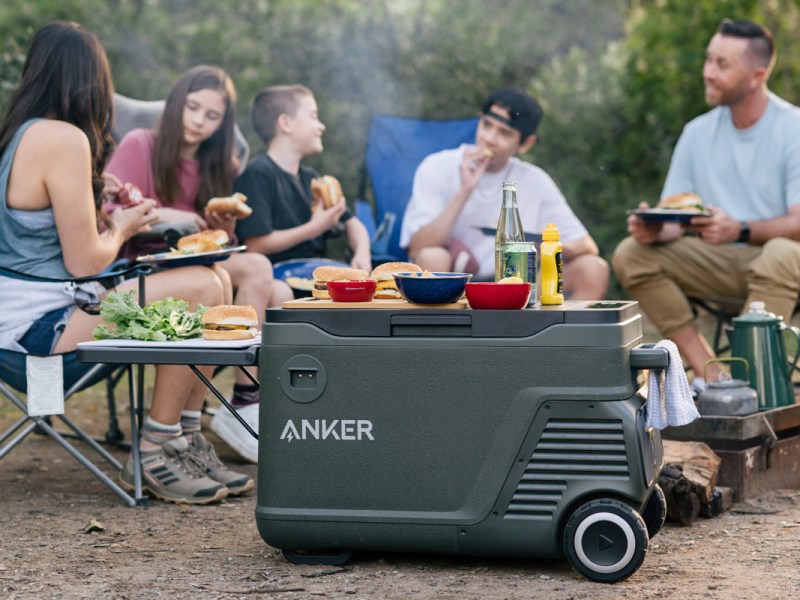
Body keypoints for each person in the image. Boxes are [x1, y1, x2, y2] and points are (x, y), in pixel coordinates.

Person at [0, 22, 253, 504]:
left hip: (34, 315)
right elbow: (83, 262)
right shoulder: (63, 138)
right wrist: (126, 226)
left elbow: (46, 239)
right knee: (199, 286)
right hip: (38, 329)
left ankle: (183, 439)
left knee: (216, 279)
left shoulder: (24, 134)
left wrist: (96, 197)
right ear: (89, 79)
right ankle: (155, 449)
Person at [106, 66, 293, 463]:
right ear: (176, 104)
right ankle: (244, 400)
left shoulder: (221, 165)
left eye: (212, 116)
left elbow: (228, 247)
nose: (198, 121)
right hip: (143, 269)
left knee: (279, 291)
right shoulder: (141, 144)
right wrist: (178, 217)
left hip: (206, 270)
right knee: (260, 270)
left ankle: (226, 409)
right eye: (192, 108)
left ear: (224, 123)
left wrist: (224, 228)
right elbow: (110, 212)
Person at [612, 19, 800, 388]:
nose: (708, 72)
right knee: (630, 252)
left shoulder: (792, 127)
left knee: (779, 250)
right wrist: (654, 228)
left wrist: (741, 229)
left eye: (722, 64)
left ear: (757, 75)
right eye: (709, 59)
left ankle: (753, 383)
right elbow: (678, 219)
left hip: (784, 263)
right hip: (717, 262)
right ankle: (712, 374)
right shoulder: (697, 133)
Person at [399, 87, 609, 299]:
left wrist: (543, 249)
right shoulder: (438, 166)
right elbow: (417, 248)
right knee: (432, 256)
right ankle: (443, 330)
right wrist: (464, 191)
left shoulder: (535, 181)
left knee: (593, 268)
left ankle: (562, 332)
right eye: (487, 125)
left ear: (526, 143)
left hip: (516, 284)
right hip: (455, 286)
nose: (490, 138)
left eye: (504, 133)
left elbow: (587, 246)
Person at [234, 84, 372, 276]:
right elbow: (255, 245)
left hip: (316, 275)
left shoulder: (313, 180)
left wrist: (362, 253)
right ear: (286, 123)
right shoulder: (259, 174)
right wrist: (314, 228)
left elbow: (352, 223)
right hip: (277, 278)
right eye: (313, 116)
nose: (321, 126)